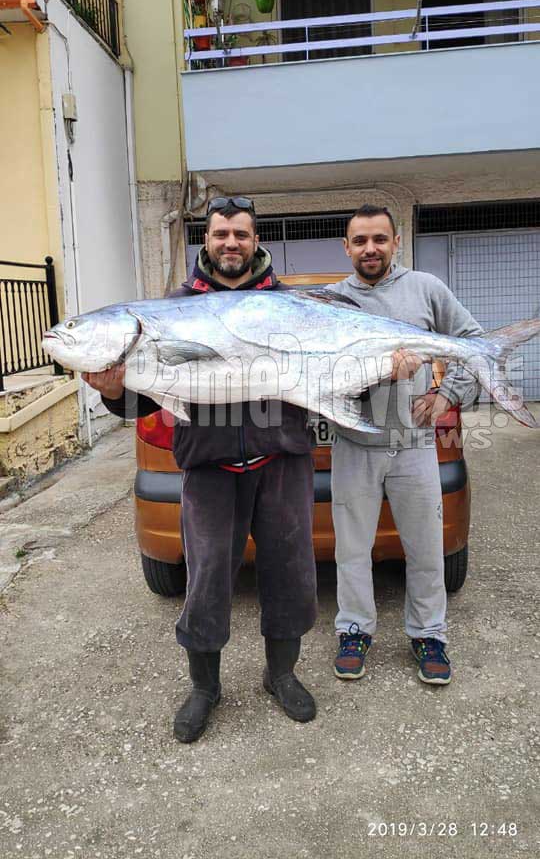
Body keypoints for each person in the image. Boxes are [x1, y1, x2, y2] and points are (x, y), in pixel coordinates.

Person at [82, 196, 318, 742]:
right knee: (207, 577)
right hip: (209, 469)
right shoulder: (173, 309)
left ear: (256, 240)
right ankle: (204, 687)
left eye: (240, 233)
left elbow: (333, 368)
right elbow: (144, 399)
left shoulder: (293, 306)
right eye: (219, 234)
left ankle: (281, 674)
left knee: (290, 573)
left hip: (283, 461)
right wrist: (117, 393)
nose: (230, 242)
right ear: (205, 242)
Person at [328, 204, 483, 686]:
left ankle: (428, 635)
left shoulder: (426, 289)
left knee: (426, 548)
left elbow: (472, 341)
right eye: (360, 241)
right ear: (347, 247)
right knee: (351, 550)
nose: (369, 249)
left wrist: (446, 395)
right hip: (353, 444)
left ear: (396, 242)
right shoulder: (329, 301)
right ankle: (354, 630)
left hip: (413, 445)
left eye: (379, 239)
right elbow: (325, 373)